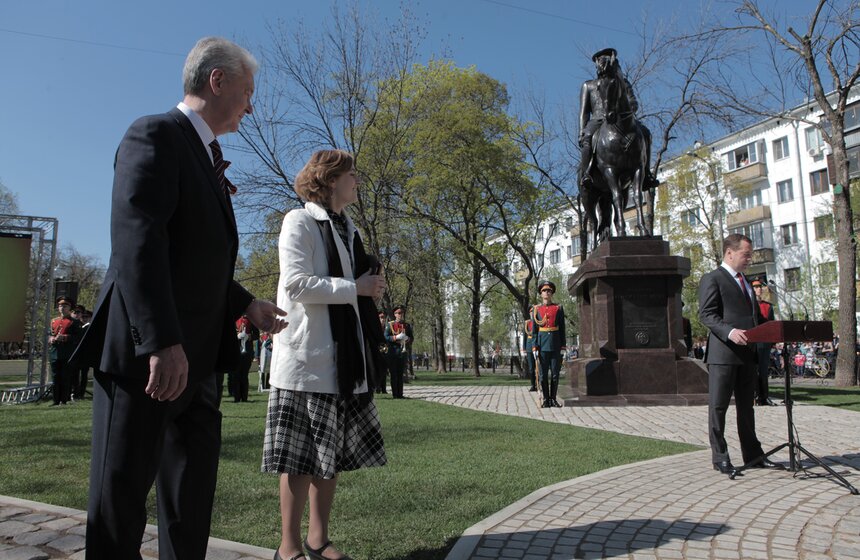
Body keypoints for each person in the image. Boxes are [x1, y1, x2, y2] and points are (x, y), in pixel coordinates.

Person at [72, 37, 288, 560]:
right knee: (119, 506)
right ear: (218, 81)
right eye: (247, 91)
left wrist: (244, 304)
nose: (251, 105)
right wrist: (162, 341)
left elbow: (191, 256)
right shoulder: (155, 135)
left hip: (197, 367)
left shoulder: (205, 155)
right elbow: (137, 243)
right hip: (146, 362)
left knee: (190, 508)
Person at [264, 149, 387, 560]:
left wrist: (368, 286)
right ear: (331, 179)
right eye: (352, 174)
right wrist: (357, 287)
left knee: (328, 458)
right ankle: (289, 546)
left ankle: (318, 540)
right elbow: (297, 284)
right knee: (299, 459)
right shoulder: (299, 221)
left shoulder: (348, 229)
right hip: (307, 359)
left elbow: (352, 287)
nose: (357, 180)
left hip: (342, 360)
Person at [698, 234, 776, 475]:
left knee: (746, 408)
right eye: (746, 254)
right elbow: (706, 314)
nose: (749, 259)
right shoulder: (713, 278)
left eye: (750, 255)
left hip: (747, 355)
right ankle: (720, 457)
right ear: (729, 253)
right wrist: (729, 332)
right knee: (718, 407)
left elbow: (753, 316)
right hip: (723, 355)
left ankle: (753, 454)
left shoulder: (746, 281)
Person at [578, 48, 658, 191]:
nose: (604, 65)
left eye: (607, 60)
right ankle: (587, 174)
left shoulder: (623, 82)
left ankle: (647, 174)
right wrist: (581, 132)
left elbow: (633, 100)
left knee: (646, 133)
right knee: (588, 139)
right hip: (597, 121)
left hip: (619, 120)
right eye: (601, 62)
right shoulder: (588, 85)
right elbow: (584, 112)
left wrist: (630, 108)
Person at [532, 280, 567, 408]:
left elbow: (562, 328)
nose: (547, 292)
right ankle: (546, 399)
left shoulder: (558, 308)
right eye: (544, 291)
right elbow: (535, 331)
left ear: (552, 293)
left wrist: (563, 346)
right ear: (541, 294)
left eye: (549, 291)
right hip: (542, 346)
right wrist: (535, 346)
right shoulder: (537, 309)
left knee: (555, 374)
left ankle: (553, 399)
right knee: (542, 375)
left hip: (556, 345)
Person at [49, 296, 83, 406]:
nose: (62, 308)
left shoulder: (74, 322)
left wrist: (64, 337)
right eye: (60, 306)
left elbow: (78, 338)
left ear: (70, 308)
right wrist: (51, 338)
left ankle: (64, 400)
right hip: (55, 352)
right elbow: (51, 333)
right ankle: (55, 400)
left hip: (67, 353)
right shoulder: (54, 321)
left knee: (65, 377)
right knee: (55, 377)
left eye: (65, 306)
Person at [750, 278, 776, 406]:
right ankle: (754, 395)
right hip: (753, 341)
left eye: (760, 286)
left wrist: (772, 341)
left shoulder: (767, 305)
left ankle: (764, 396)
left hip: (765, 341)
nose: (759, 289)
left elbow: (771, 323)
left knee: (764, 370)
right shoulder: (747, 305)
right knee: (754, 370)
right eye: (756, 287)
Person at [384, 305, 413, 399]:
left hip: (402, 353)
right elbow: (385, 337)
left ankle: (400, 394)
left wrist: (407, 338)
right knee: (394, 374)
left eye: (401, 313)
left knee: (400, 374)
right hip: (393, 352)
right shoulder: (390, 325)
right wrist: (395, 337)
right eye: (398, 313)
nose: (400, 315)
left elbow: (411, 337)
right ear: (395, 314)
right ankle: (395, 394)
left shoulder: (407, 325)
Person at [232, 314, 258, 402]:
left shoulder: (251, 320)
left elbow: (256, 335)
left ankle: (244, 397)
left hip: (247, 351)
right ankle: (236, 397)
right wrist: (237, 334)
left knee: (244, 375)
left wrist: (249, 336)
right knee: (236, 375)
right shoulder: (235, 319)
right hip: (236, 351)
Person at [522, 309, 537, 391]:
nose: (532, 313)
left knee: (539, 367)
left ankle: (539, 384)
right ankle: (532, 385)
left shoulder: (538, 322)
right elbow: (525, 336)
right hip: (529, 346)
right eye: (531, 312)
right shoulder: (528, 323)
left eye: (533, 312)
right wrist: (524, 349)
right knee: (531, 368)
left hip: (537, 346)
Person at [375, 310, 390, 393]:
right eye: (381, 317)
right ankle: (377, 388)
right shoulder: (375, 328)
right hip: (377, 351)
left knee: (384, 370)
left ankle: (384, 389)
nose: (383, 319)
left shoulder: (387, 328)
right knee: (377, 370)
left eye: (384, 317)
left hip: (385, 351)